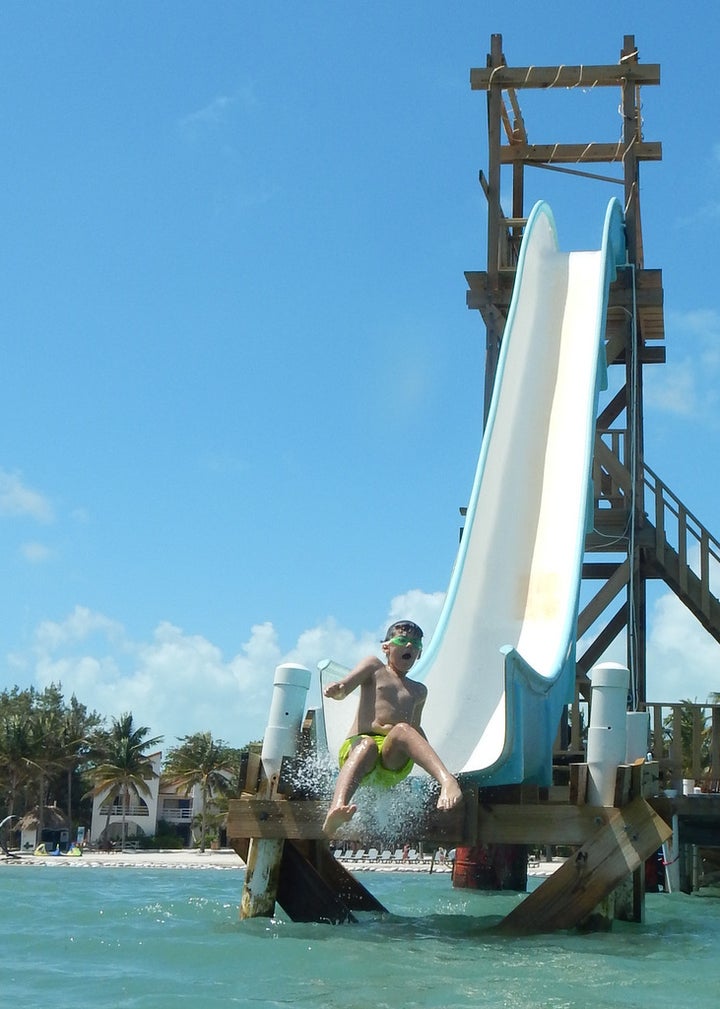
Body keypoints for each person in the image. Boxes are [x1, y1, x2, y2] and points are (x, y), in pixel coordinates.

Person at [322, 619, 463, 836]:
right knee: (367, 744)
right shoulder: (374, 667)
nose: (409, 646)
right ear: (386, 647)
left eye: (416, 645)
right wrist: (338, 690)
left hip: (391, 761)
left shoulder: (418, 691)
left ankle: (447, 780)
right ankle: (337, 808)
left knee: (404, 730)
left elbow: (415, 731)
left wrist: (429, 757)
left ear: (419, 654)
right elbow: (345, 686)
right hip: (359, 751)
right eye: (403, 640)